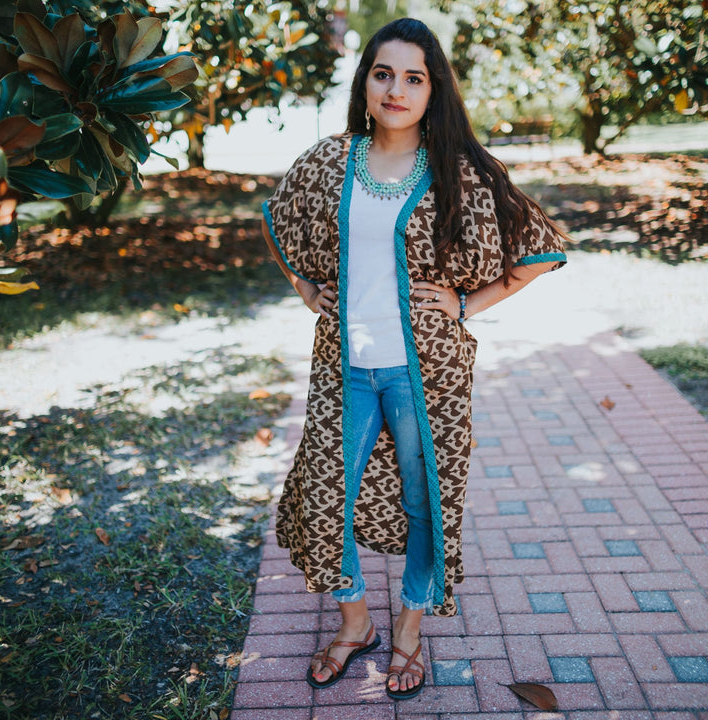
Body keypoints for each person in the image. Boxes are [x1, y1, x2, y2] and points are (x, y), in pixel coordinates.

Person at [261, 17, 568, 700]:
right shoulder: (328, 162)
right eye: (383, 73)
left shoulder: (460, 171)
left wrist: (464, 306)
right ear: (365, 80)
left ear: (434, 90)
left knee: (426, 504)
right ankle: (354, 623)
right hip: (345, 367)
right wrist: (307, 287)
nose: (395, 89)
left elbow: (538, 247)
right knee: (324, 499)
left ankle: (408, 630)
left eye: (413, 77)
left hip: (425, 376)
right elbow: (279, 217)